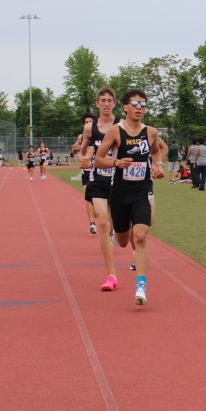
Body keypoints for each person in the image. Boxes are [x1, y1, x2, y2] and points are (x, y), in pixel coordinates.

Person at [93, 89, 167, 306]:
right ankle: (119, 234)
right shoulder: (115, 132)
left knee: (141, 235)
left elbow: (157, 151)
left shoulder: (150, 132)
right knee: (124, 241)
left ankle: (141, 287)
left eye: (143, 104)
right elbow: (98, 160)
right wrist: (116, 162)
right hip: (119, 193)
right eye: (134, 104)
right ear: (125, 107)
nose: (139, 108)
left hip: (141, 191)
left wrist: (158, 165)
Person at [79, 86, 121, 290]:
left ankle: (116, 234)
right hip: (97, 179)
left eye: (109, 100)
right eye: (102, 100)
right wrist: (83, 158)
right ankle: (111, 275)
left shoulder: (121, 125)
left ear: (115, 104)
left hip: (118, 179)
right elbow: (83, 150)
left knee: (116, 228)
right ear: (97, 104)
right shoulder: (90, 128)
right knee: (103, 222)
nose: (106, 104)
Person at [71, 113, 98, 233]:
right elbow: (74, 151)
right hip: (86, 172)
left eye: (90, 122)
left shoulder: (98, 135)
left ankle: (97, 209)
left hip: (97, 171)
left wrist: (86, 157)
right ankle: (92, 224)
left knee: (98, 198)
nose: (88, 124)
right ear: (83, 124)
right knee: (88, 196)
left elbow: (92, 152)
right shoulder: (81, 137)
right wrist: (75, 149)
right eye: (86, 122)